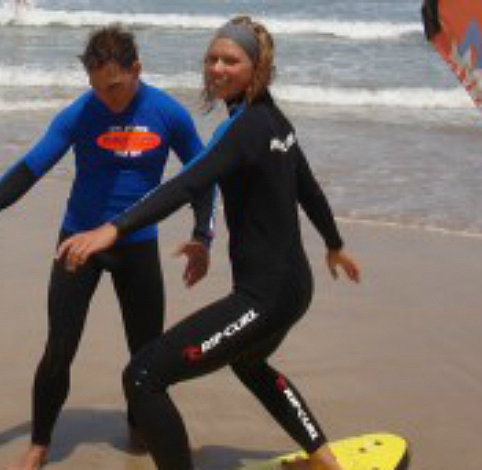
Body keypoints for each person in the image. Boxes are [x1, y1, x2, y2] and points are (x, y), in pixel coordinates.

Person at [57, 15, 361, 470]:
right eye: (212, 59)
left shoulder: (245, 129)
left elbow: (184, 184)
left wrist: (112, 229)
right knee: (249, 363)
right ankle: (323, 460)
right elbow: (308, 188)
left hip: (263, 298)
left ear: (257, 67)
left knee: (143, 375)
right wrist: (334, 245)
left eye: (230, 61)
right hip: (293, 288)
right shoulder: (275, 122)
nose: (217, 68)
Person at [0, 26, 215, 470]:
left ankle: (139, 424)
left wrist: (203, 236)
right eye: (96, 87)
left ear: (137, 69)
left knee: (146, 355)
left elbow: (202, 176)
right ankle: (40, 442)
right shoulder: (82, 112)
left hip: (137, 247)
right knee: (59, 349)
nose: (106, 98)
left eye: (115, 86)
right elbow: (32, 165)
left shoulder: (167, 113)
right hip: (77, 244)